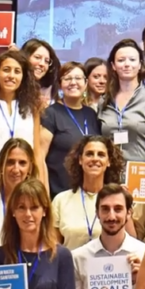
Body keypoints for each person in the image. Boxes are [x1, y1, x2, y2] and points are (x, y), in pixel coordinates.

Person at [98, 39, 145, 165]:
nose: (127, 64)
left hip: (143, 171)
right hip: (110, 173)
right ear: (113, 66)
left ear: (140, 65)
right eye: (121, 60)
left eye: (132, 60)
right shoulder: (104, 100)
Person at [41, 61, 103, 196]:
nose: (73, 82)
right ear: (60, 84)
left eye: (78, 78)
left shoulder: (91, 114)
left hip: (89, 192)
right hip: (59, 193)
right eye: (67, 78)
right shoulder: (51, 114)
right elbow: (40, 158)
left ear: (86, 83)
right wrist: (43, 194)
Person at [52, 135, 123, 249]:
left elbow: (131, 240)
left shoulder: (117, 200)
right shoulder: (61, 200)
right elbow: (53, 248)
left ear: (108, 161)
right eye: (89, 154)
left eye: (101, 155)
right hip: (71, 260)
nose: (95, 158)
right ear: (80, 160)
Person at [21, 38, 61, 105]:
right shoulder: (14, 88)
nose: (42, 64)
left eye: (47, 61)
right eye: (37, 57)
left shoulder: (50, 92)